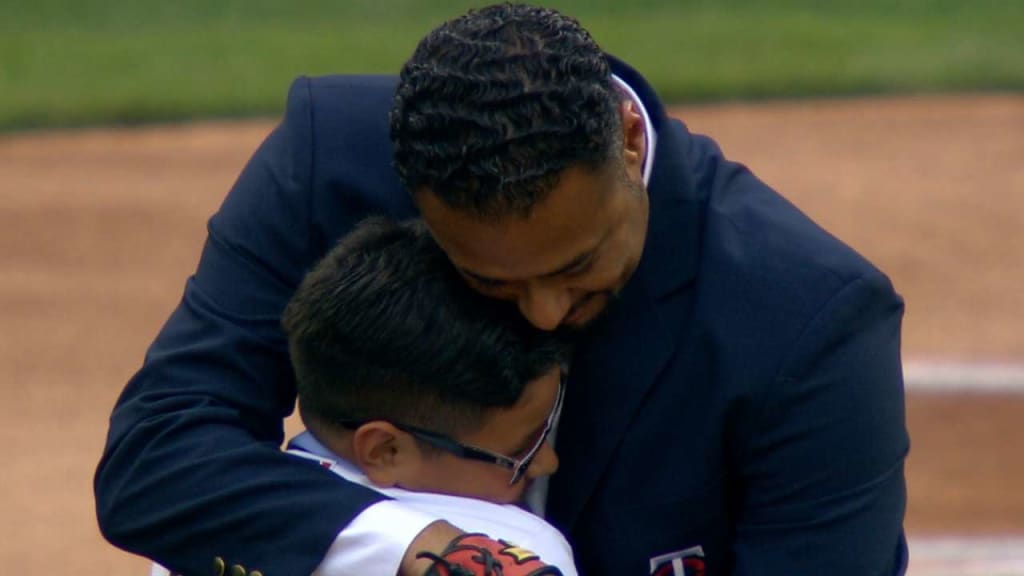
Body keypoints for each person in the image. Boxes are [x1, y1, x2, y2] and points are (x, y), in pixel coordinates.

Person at [96, 3, 910, 575]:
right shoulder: (329, 164)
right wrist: (426, 554)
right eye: (489, 279)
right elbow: (157, 455)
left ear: (630, 145)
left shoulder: (812, 317)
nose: (547, 312)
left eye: (576, 267)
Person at [151, 217, 577, 575]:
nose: (548, 461)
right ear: (385, 449)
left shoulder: (207, 528)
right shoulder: (521, 547)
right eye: (520, 453)